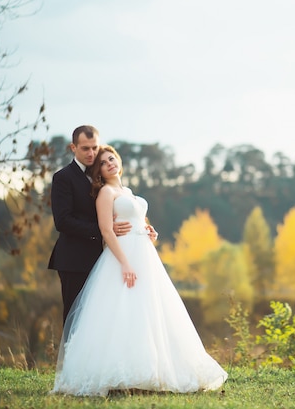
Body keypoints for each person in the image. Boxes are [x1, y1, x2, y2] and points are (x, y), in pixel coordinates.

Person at [51, 145, 227, 396]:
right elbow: (106, 230)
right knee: (122, 311)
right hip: (123, 256)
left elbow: (136, 220)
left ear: (119, 161)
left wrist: (148, 230)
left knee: (149, 309)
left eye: (112, 159)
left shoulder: (128, 192)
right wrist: (124, 263)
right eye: (103, 163)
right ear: (99, 172)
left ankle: (154, 369)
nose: (109, 163)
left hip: (145, 254)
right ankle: (120, 374)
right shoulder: (105, 193)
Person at [48, 125, 153, 324]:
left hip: (103, 258)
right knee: (76, 318)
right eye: (85, 148)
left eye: (94, 147)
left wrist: (141, 226)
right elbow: (62, 221)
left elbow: (118, 209)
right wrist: (104, 230)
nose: (91, 153)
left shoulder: (103, 177)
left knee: (102, 319)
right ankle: (73, 355)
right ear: (73, 148)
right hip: (74, 259)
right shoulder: (63, 178)